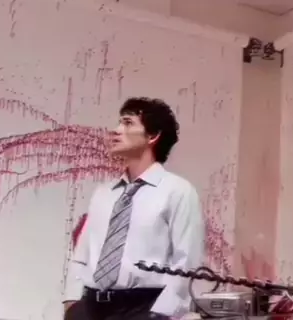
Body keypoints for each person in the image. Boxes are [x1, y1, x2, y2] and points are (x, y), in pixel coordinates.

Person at [63, 97, 205, 320]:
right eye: (119, 122)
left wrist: (162, 313)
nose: (116, 130)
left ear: (152, 136)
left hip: (143, 308)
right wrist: (71, 302)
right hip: (90, 307)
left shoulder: (178, 192)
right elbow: (82, 254)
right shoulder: (104, 193)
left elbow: (186, 261)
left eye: (128, 123)